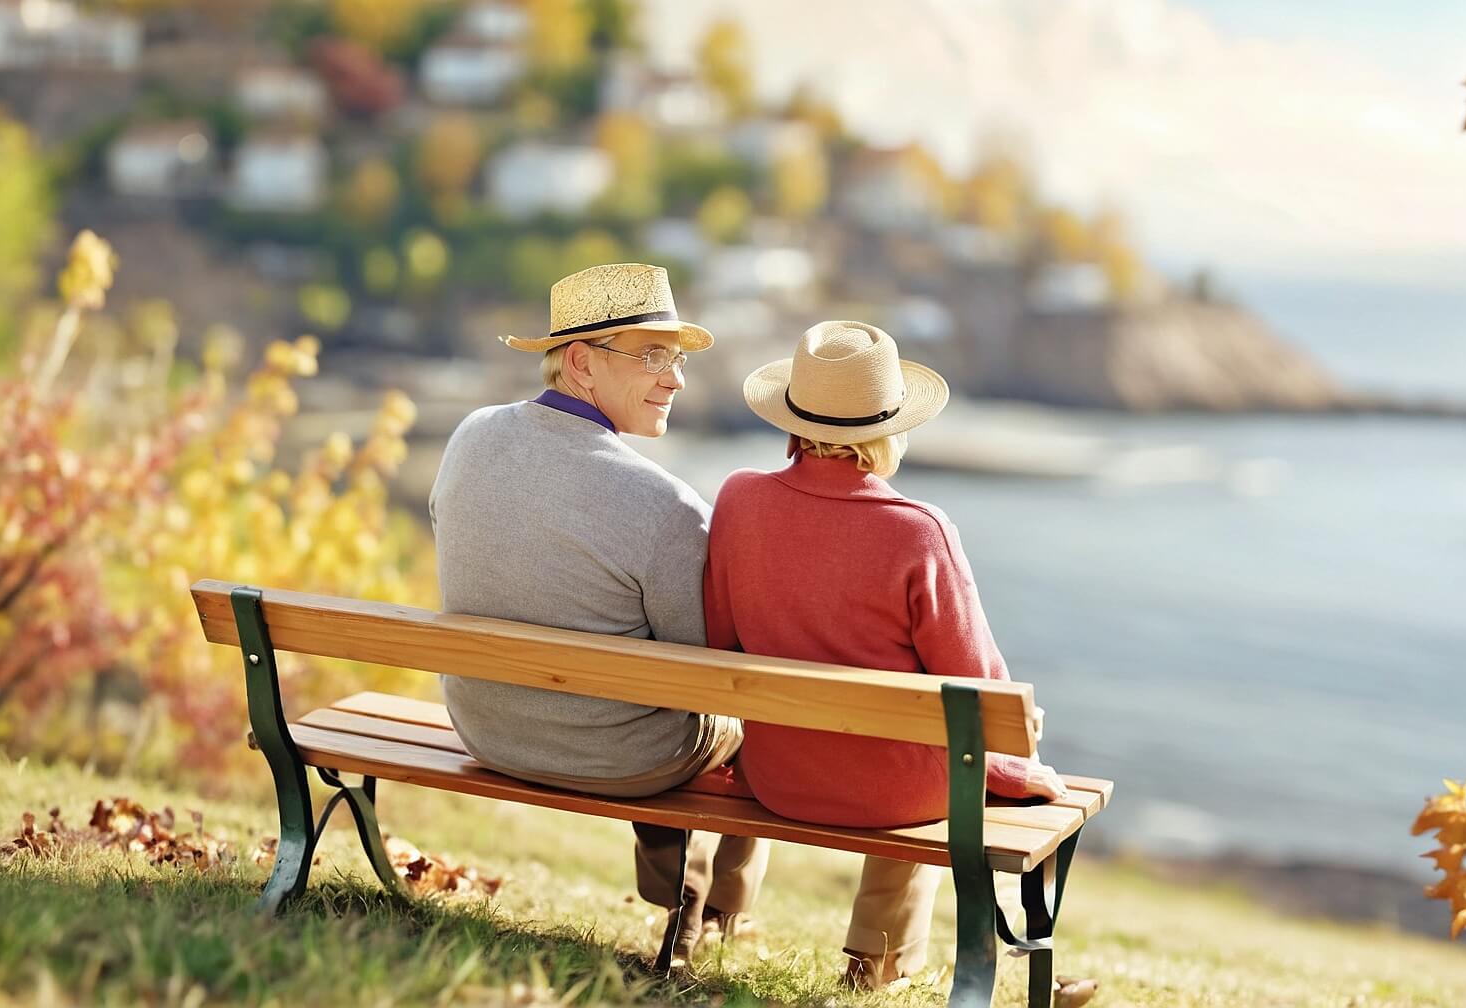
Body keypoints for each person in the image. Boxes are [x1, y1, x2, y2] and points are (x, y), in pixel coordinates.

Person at [702, 320, 1095, 1003]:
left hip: (775, 775)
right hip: (891, 799)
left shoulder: (739, 498)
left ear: (793, 418)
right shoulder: (921, 531)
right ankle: (873, 965)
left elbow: (719, 636)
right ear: (888, 433)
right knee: (932, 761)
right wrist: (1012, 771)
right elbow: (974, 684)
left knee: (896, 742)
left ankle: (719, 918)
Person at [429, 262, 769, 961]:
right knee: (750, 712)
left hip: (487, 727)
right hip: (618, 758)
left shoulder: (468, 437)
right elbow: (702, 672)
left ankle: (698, 909)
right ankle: (712, 916)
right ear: (581, 363)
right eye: (651, 357)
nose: (676, 378)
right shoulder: (663, 506)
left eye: (674, 359)